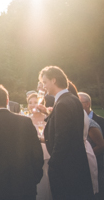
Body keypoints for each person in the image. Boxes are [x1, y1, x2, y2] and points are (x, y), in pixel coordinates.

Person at [0, 84, 44, 200]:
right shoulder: (25, 121)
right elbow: (37, 153)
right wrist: (36, 177)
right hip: (24, 182)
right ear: (7, 100)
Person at [40, 66, 94, 199]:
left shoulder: (63, 103)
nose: (44, 86)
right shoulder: (73, 99)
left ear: (53, 80)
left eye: (45, 82)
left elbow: (62, 137)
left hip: (65, 169)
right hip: (76, 164)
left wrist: (53, 164)